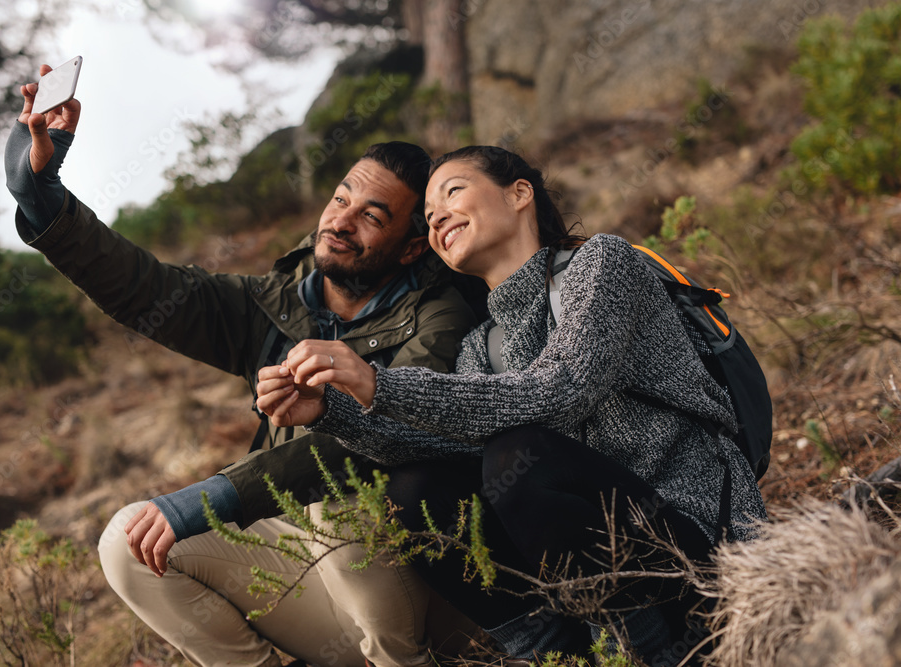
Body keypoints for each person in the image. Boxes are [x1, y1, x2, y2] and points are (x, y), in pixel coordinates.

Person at [4, 66, 480, 667]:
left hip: (431, 597)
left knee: (334, 493)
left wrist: (215, 496)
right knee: (129, 540)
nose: (340, 221)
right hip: (317, 582)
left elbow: (374, 442)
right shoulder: (274, 304)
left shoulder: (443, 320)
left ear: (413, 246)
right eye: (341, 199)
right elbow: (145, 292)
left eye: (372, 216)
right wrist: (41, 195)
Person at [256, 145, 769, 665]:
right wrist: (329, 412)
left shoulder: (602, 263)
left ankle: (648, 652)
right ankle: (546, 650)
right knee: (414, 488)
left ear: (519, 192)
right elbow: (442, 446)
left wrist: (380, 384)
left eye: (453, 191)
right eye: (429, 216)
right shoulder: (482, 343)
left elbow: (562, 389)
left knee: (519, 456)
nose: (437, 218)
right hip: (601, 580)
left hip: (698, 543)